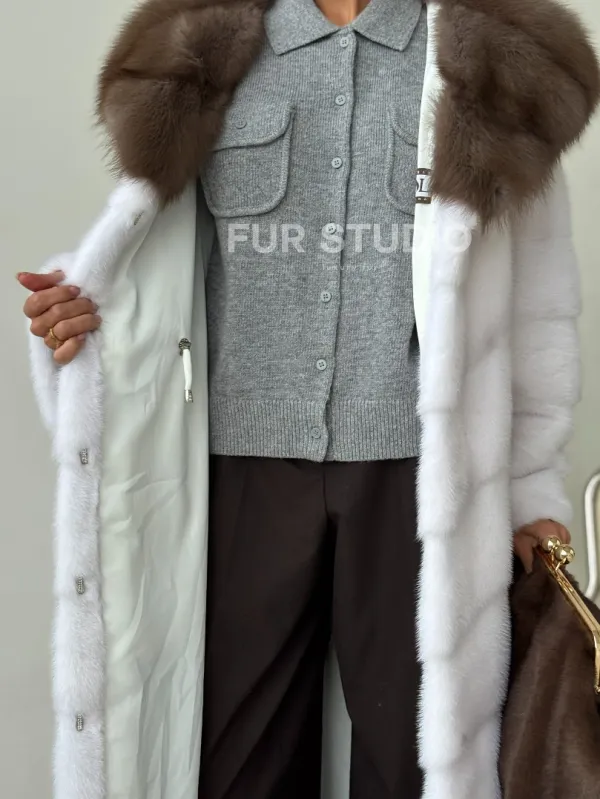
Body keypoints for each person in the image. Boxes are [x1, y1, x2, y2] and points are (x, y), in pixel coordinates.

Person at [18, 0, 599, 798]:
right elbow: (160, 266)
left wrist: (529, 489)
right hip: (239, 470)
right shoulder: (200, 53)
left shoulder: (485, 63)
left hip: (418, 475)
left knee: (418, 762)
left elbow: (533, 304)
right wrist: (87, 314)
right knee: (235, 767)